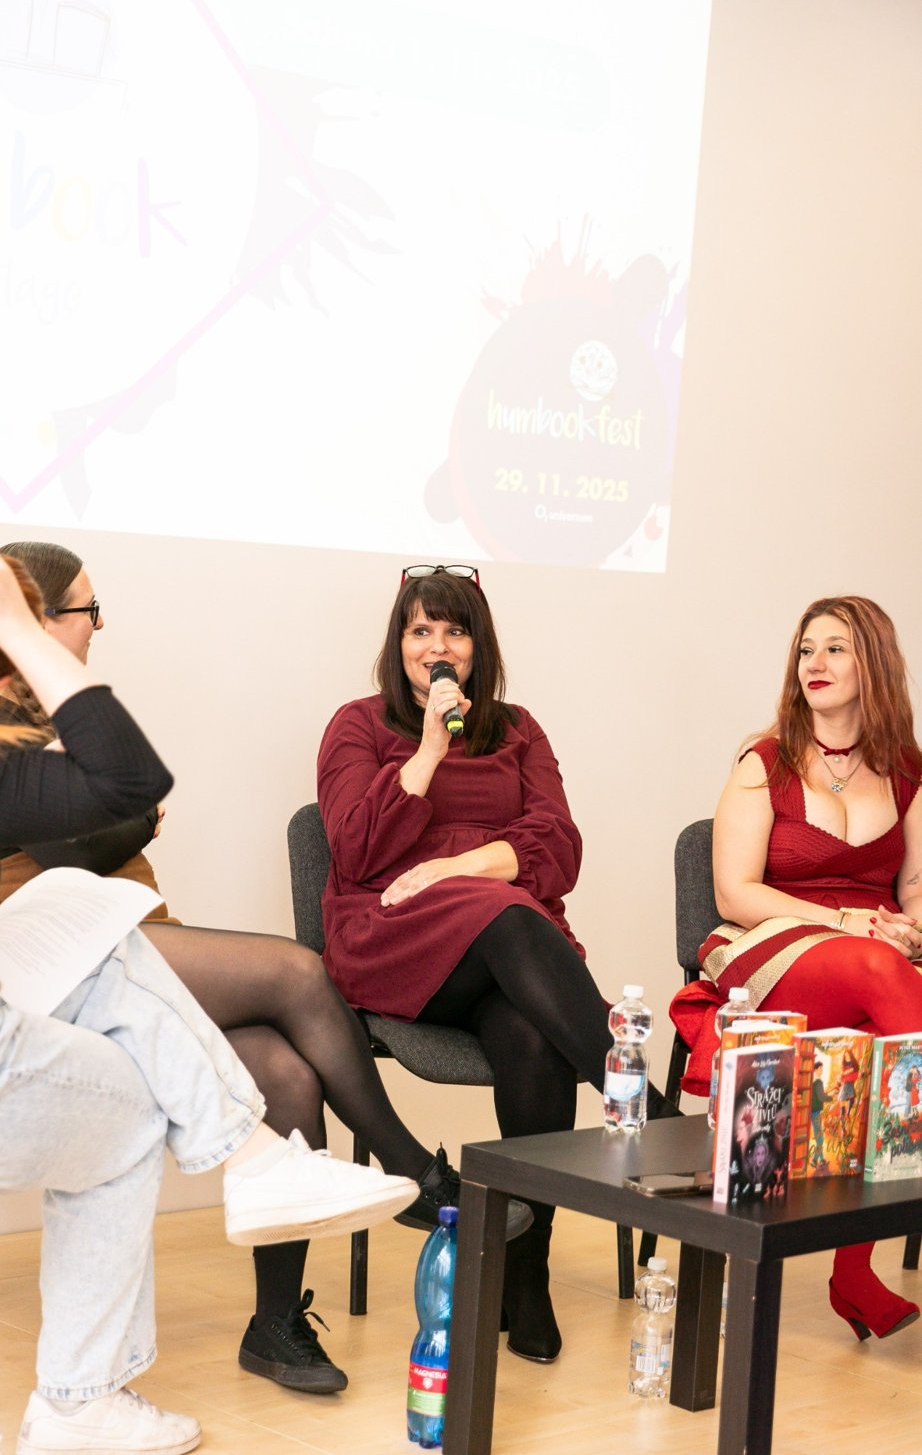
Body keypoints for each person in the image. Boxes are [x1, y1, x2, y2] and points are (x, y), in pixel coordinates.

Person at [0, 547, 420, 1455]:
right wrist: (23, 634)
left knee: (92, 928)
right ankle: (81, 1402)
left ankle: (252, 1162)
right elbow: (129, 780)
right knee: (127, 1119)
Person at [0, 539, 529, 1398]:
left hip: (125, 936)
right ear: (42, 619)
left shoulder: (52, 711)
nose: (99, 627)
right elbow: (68, 848)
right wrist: (135, 819)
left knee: (285, 1072)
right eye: (89, 610)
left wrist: (126, 814)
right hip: (58, 956)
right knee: (297, 974)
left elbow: (95, 821)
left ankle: (275, 1324)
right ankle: (410, 1170)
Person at [315, 562, 643, 1365]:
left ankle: (524, 1273)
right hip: (394, 940)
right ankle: (644, 1106)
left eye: (454, 631)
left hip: (503, 956)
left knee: (531, 1032)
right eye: (420, 630)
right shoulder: (357, 726)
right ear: (397, 645)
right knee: (509, 913)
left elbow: (558, 847)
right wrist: (429, 751)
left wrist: (457, 868)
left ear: (478, 645)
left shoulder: (519, 731)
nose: (437, 647)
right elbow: (355, 849)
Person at [671, 594, 922, 1342]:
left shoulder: (907, 770)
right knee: (881, 974)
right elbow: (734, 891)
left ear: (874, 662)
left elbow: (912, 886)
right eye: (807, 649)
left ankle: (853, 1273)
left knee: (884, 1012)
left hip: (876, 954)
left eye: (836, 647)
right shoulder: (765, 762)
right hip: (773, 942)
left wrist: (911, 927)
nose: (815, 662)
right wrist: (843, 923)